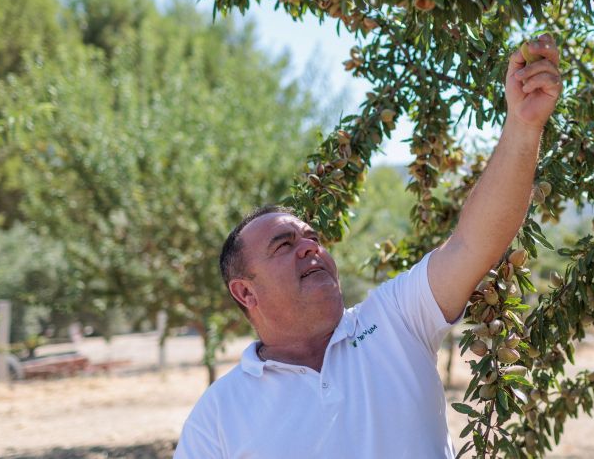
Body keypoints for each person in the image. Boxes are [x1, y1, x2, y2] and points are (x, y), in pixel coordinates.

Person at [173, 35, 562, 458]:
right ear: (245, 291)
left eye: (313, 238)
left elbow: (473, 243)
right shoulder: (218, 417)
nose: (310, 248)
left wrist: (523, 127)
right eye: (284, 245)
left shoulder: (395, 321)